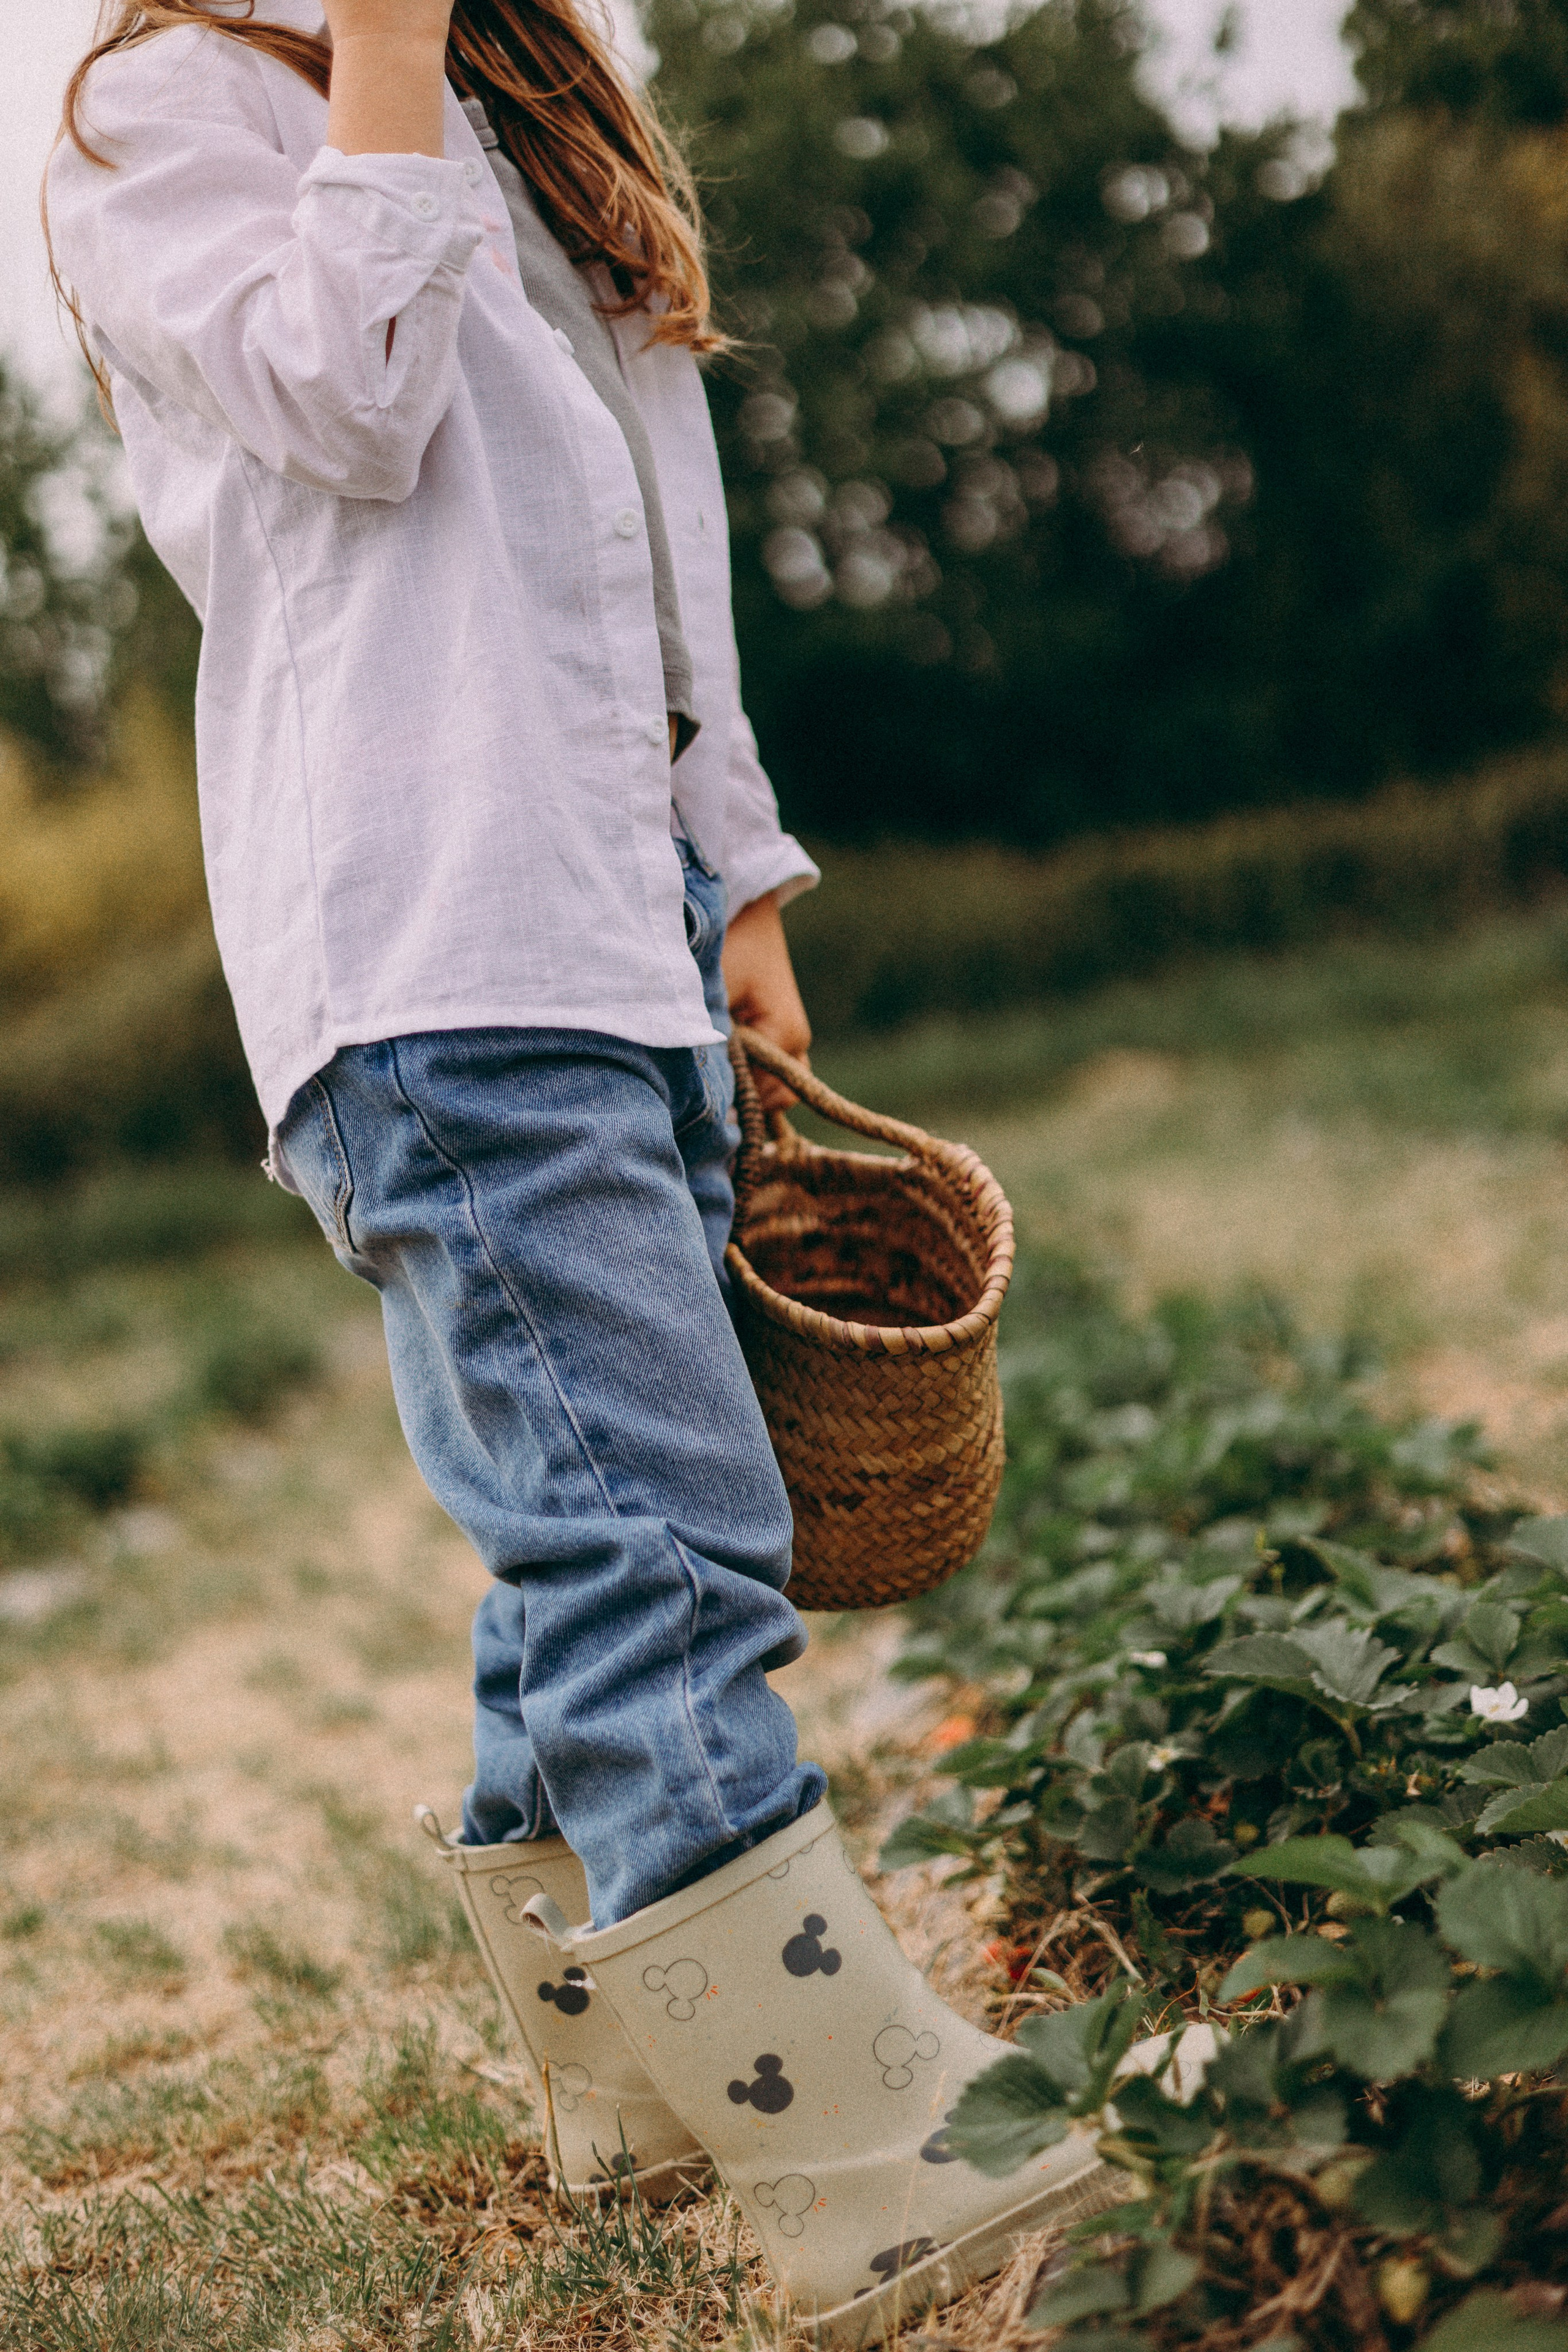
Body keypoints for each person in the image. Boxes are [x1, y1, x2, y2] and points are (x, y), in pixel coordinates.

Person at [45, 6, 1137, 2334]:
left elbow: (655, 525)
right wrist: (377, 54)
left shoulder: (538, 75)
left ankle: (631, 2087)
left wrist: (732, 877)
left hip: (608, 916)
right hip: (430, 933)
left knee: (589, 1518)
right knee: (660, 1530)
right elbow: (351, 397)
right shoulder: (153, 113)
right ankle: (856, 2147)